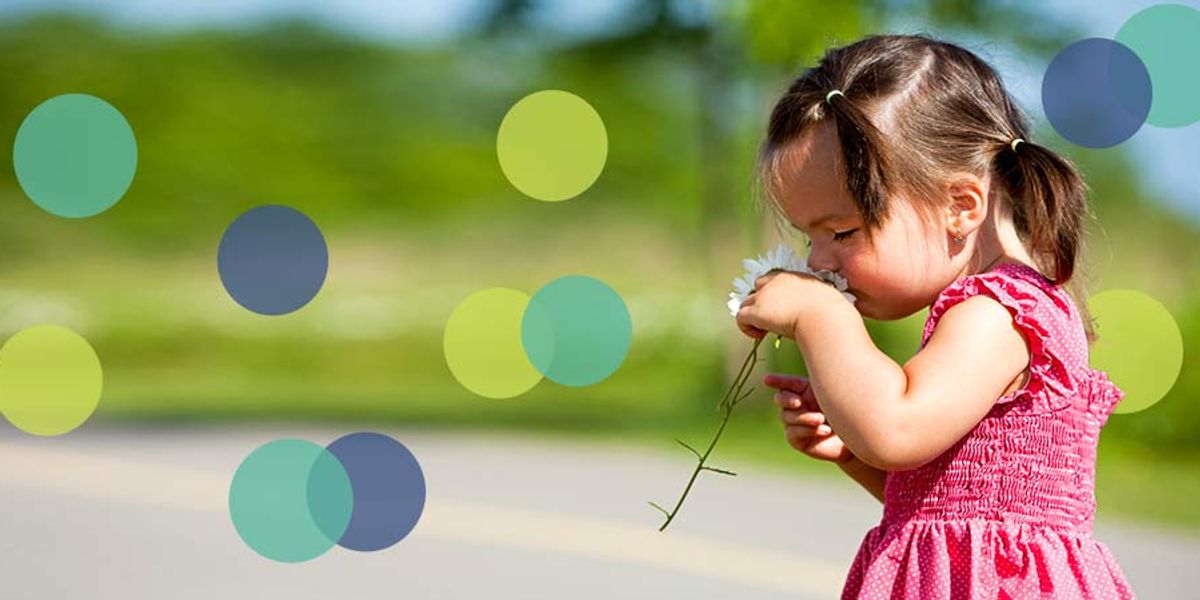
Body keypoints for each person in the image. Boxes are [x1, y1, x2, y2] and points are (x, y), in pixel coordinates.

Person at [733, 34, 1136, 599]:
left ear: (960, 206)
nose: (817, 261)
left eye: (842, 231)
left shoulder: (997, 313)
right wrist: (853, 451)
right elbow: (956, 502)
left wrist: (820, 314)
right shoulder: (993, 308)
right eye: (809, 236)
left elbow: (896, 429)